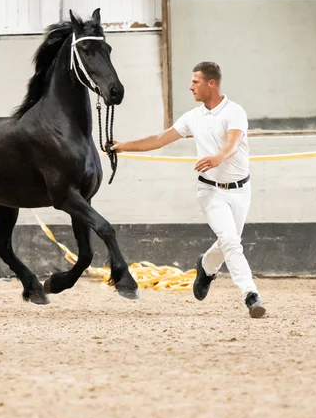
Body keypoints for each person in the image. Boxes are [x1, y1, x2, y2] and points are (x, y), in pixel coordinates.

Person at [111, 61, 265, 319]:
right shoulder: (192, 118)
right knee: (230, 241)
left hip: (240, 191)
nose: (190, 86)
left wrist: (219, 156)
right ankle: (251, 295)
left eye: (196, 82)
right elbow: (160, 139)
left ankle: (205, 266)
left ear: (211, 84)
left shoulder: (235, 112)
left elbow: (234, 142)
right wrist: (124, 145)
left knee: (228, 242)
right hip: (210, 192)